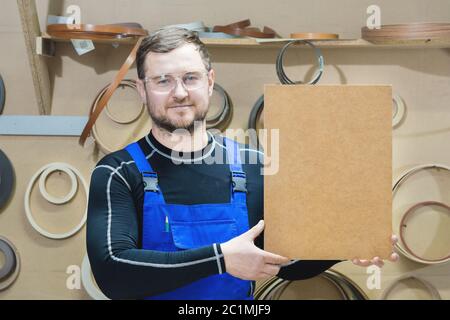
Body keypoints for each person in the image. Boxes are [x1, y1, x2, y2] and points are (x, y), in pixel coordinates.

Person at [86, 27, 398, 300]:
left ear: (210, 81)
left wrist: (343, 246)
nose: (179, 92)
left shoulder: (255, 166)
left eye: (189, 78)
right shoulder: (118, 172)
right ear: (142, 89)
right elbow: (113, 272)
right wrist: (220, 259)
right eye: (162, 81)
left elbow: (282, 263)